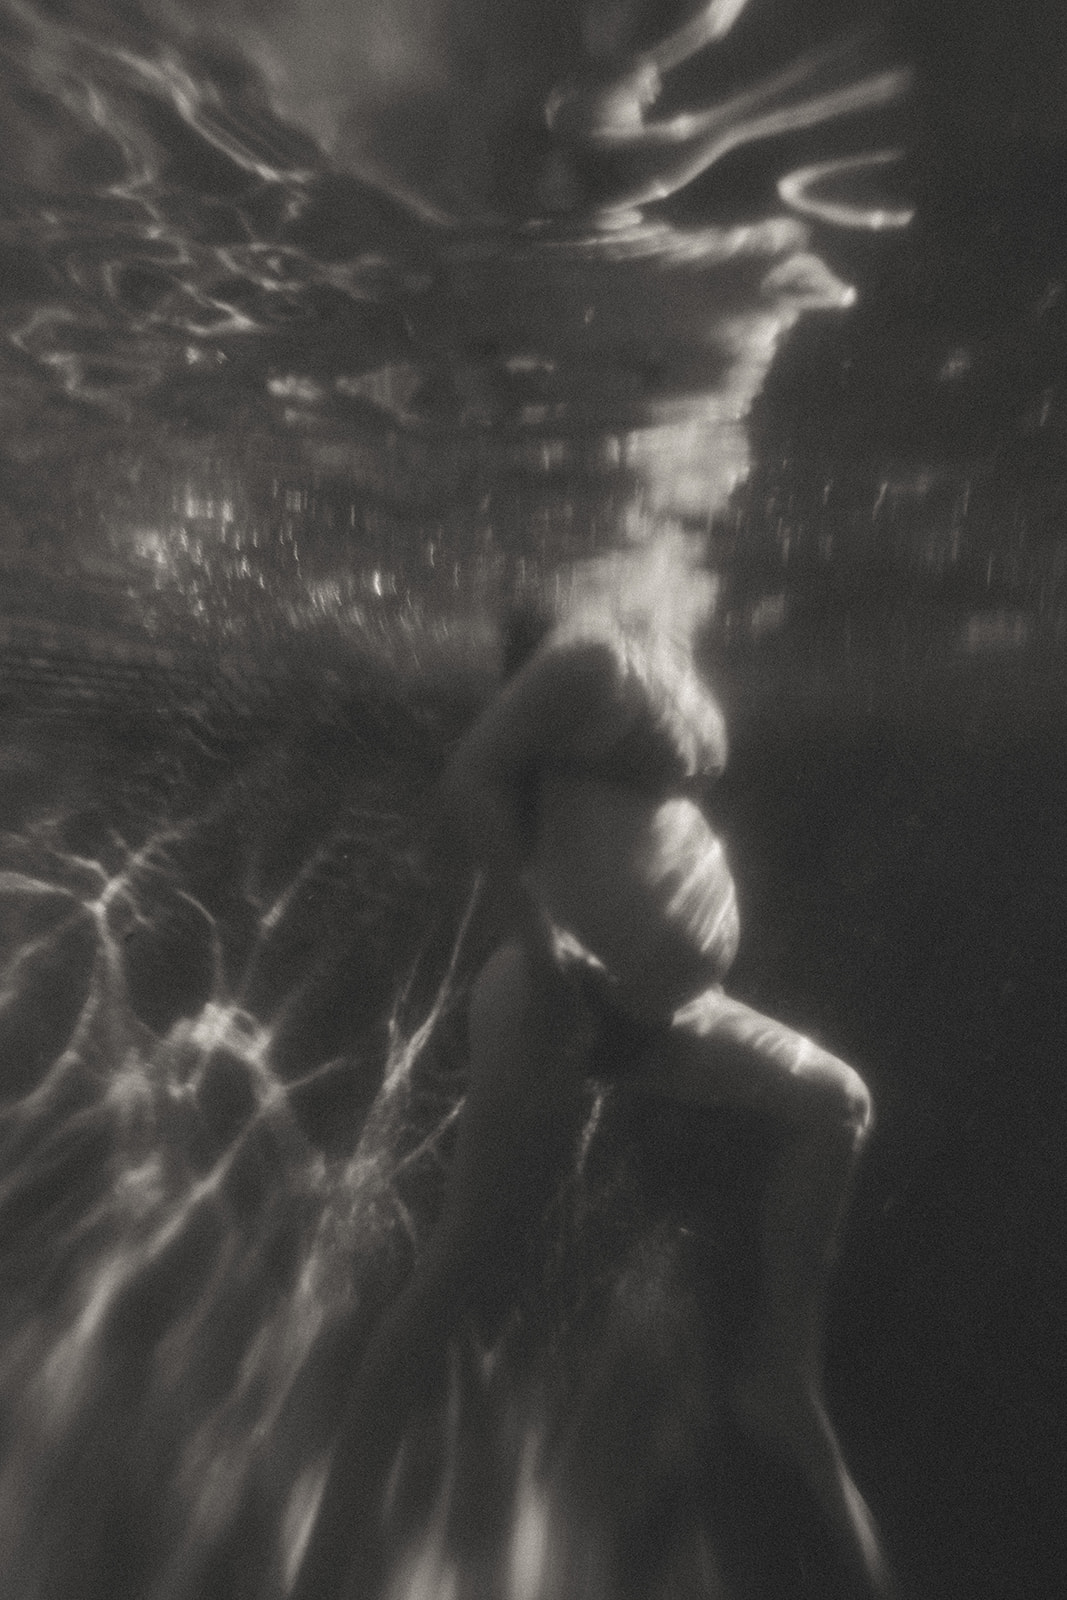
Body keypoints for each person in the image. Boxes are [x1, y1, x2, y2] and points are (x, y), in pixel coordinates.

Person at [290, 544, 897, 1600]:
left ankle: (778, 1374)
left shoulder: (647, 658)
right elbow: (469, 775)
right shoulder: (583, 657)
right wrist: (536, 941)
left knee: (833, 1102)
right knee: (458, 1276)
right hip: (555, 1009)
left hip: (663, 1011)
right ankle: (326, 1558)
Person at [538, 1, 909, 224]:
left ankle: (867, 69)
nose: (653, 92)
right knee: (743, 118)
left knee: (739, 114)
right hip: (625, 177)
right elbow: (739, 117)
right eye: (642, 92)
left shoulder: (606, 89)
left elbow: (702, 31)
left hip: (615, 167)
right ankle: (871, 68)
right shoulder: (613, 145)